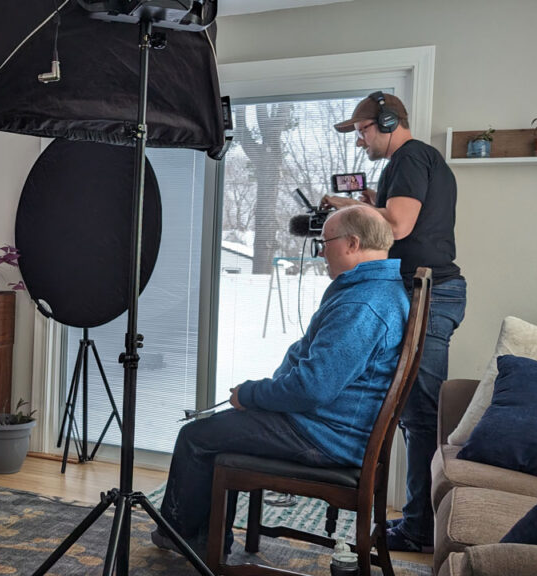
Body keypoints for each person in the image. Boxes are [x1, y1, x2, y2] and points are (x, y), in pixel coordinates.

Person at [153, 206, 409, 556]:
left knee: (197, 437)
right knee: (218, 432)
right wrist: (262, 393)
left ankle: (184, 537)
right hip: (331, 425)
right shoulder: (376, 289)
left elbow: (312, 387)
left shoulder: (363, 305)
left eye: (326, 242)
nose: (321, 251)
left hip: (326, 435)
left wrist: (252, 394)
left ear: (352, 243)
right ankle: (204, 540)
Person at [325, 92, 467, 552]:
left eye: (364, 130)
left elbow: (400, 227)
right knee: (412, 414)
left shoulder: (410, 157)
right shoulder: (417, 161)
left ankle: (419, 529)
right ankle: (416, 522)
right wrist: (374, 200)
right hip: (427, 290)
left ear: (386, 121)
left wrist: (348, 208)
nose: (362, 140)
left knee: (420, 415)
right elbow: (404, 217)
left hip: (429, 291)